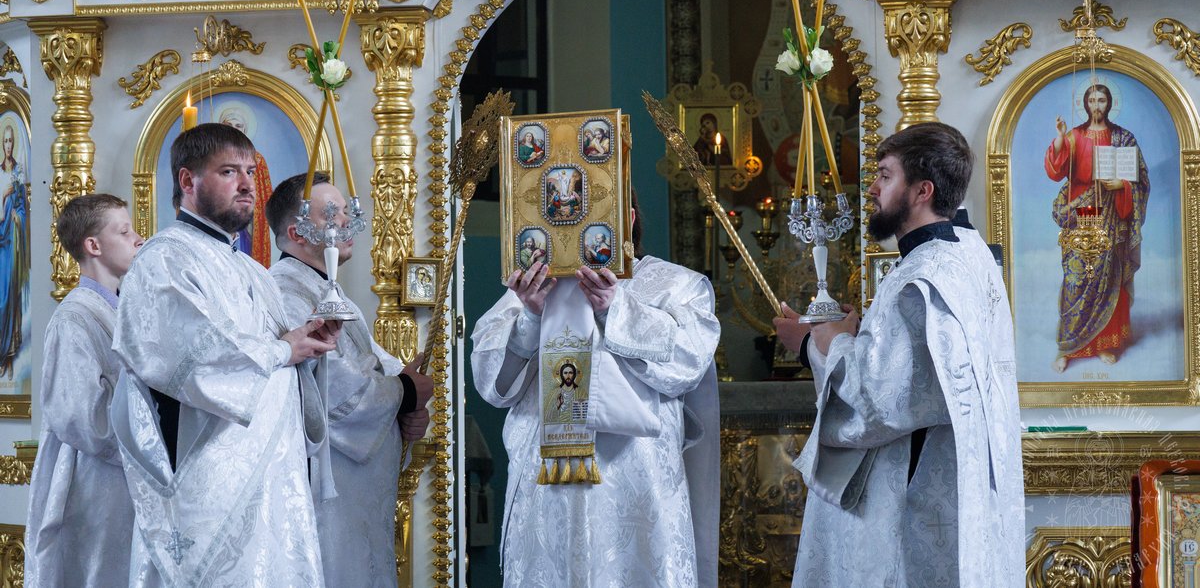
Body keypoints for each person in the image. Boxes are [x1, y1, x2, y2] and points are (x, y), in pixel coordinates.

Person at [776, 123, 1023, 587]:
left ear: (922, 191)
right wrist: (853, 335)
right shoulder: (971, 254)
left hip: (915, 492)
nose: (872, 188)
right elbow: (920, 373)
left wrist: (813, 343)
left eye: (886, 176)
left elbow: (877, 401)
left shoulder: (922, 280)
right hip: (962, 481)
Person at [109, 123, 341, 586]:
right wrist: (284, 348)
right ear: (188, 180)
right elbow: (192, 360)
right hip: (210, 484)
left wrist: (305, 342)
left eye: (250, 171)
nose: (247, 184)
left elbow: (277, 356)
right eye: (229, 171)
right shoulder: (164, 259)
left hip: (273, 477)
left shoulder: (252, 271)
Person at [471, 192, 721, 587]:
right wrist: (530, 318)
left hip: (636, 492)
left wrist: (614, 309)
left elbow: (688, 362)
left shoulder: (676, 285)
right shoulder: (531, 287)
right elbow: (492, 384)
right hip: (546, 489)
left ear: (627, 219)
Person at [265, 171, 435, 588]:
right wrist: (406, 393)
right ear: (297, 232)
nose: (346, 222)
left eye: (346, 211)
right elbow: (334, 389)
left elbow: (383, 367)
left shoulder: (332, 293)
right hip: (324, 486)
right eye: (331, 214)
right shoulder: (286, 292)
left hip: (354, 487)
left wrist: (406, 407)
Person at [24, 194, 144, 586]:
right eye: (124, 231)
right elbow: (83, 420)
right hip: (95, 485)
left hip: (124, 481)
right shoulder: (73, 319)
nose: (137, 238)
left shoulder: (122, 310)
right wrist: (150, 443)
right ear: (93, 245)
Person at [1045, 83, 1149, 372]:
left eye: (1101, 100)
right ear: (1085, 104)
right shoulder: (1075, 136)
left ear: (1109, 103)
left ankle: (1103, 343)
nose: (1096, 105)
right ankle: (1068, 347)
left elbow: (1141, 179)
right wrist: (1060, 138)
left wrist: (1122, 185)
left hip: (1113, 214)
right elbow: (1056, 171)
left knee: (1109, 276)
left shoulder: (1124, 137)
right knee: (1077, 276)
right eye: (1091, 100)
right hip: (1083, 210)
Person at [218, 103, 274, 267]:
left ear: (245, 129)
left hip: (245, 225)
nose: (234, 130)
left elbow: (265, 198)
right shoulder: (213, 158)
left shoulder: (257, 160)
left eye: (238, 126)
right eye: (229, 125)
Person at [0, 122, 28, 382]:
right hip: (0, 242)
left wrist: (18, 217)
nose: (8, 146)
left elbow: (22, 209)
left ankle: (8, 355)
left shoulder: (18, 173)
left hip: (12, 244)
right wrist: (2, 197)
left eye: (11, 141)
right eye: (5, 141)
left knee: (9, 296)